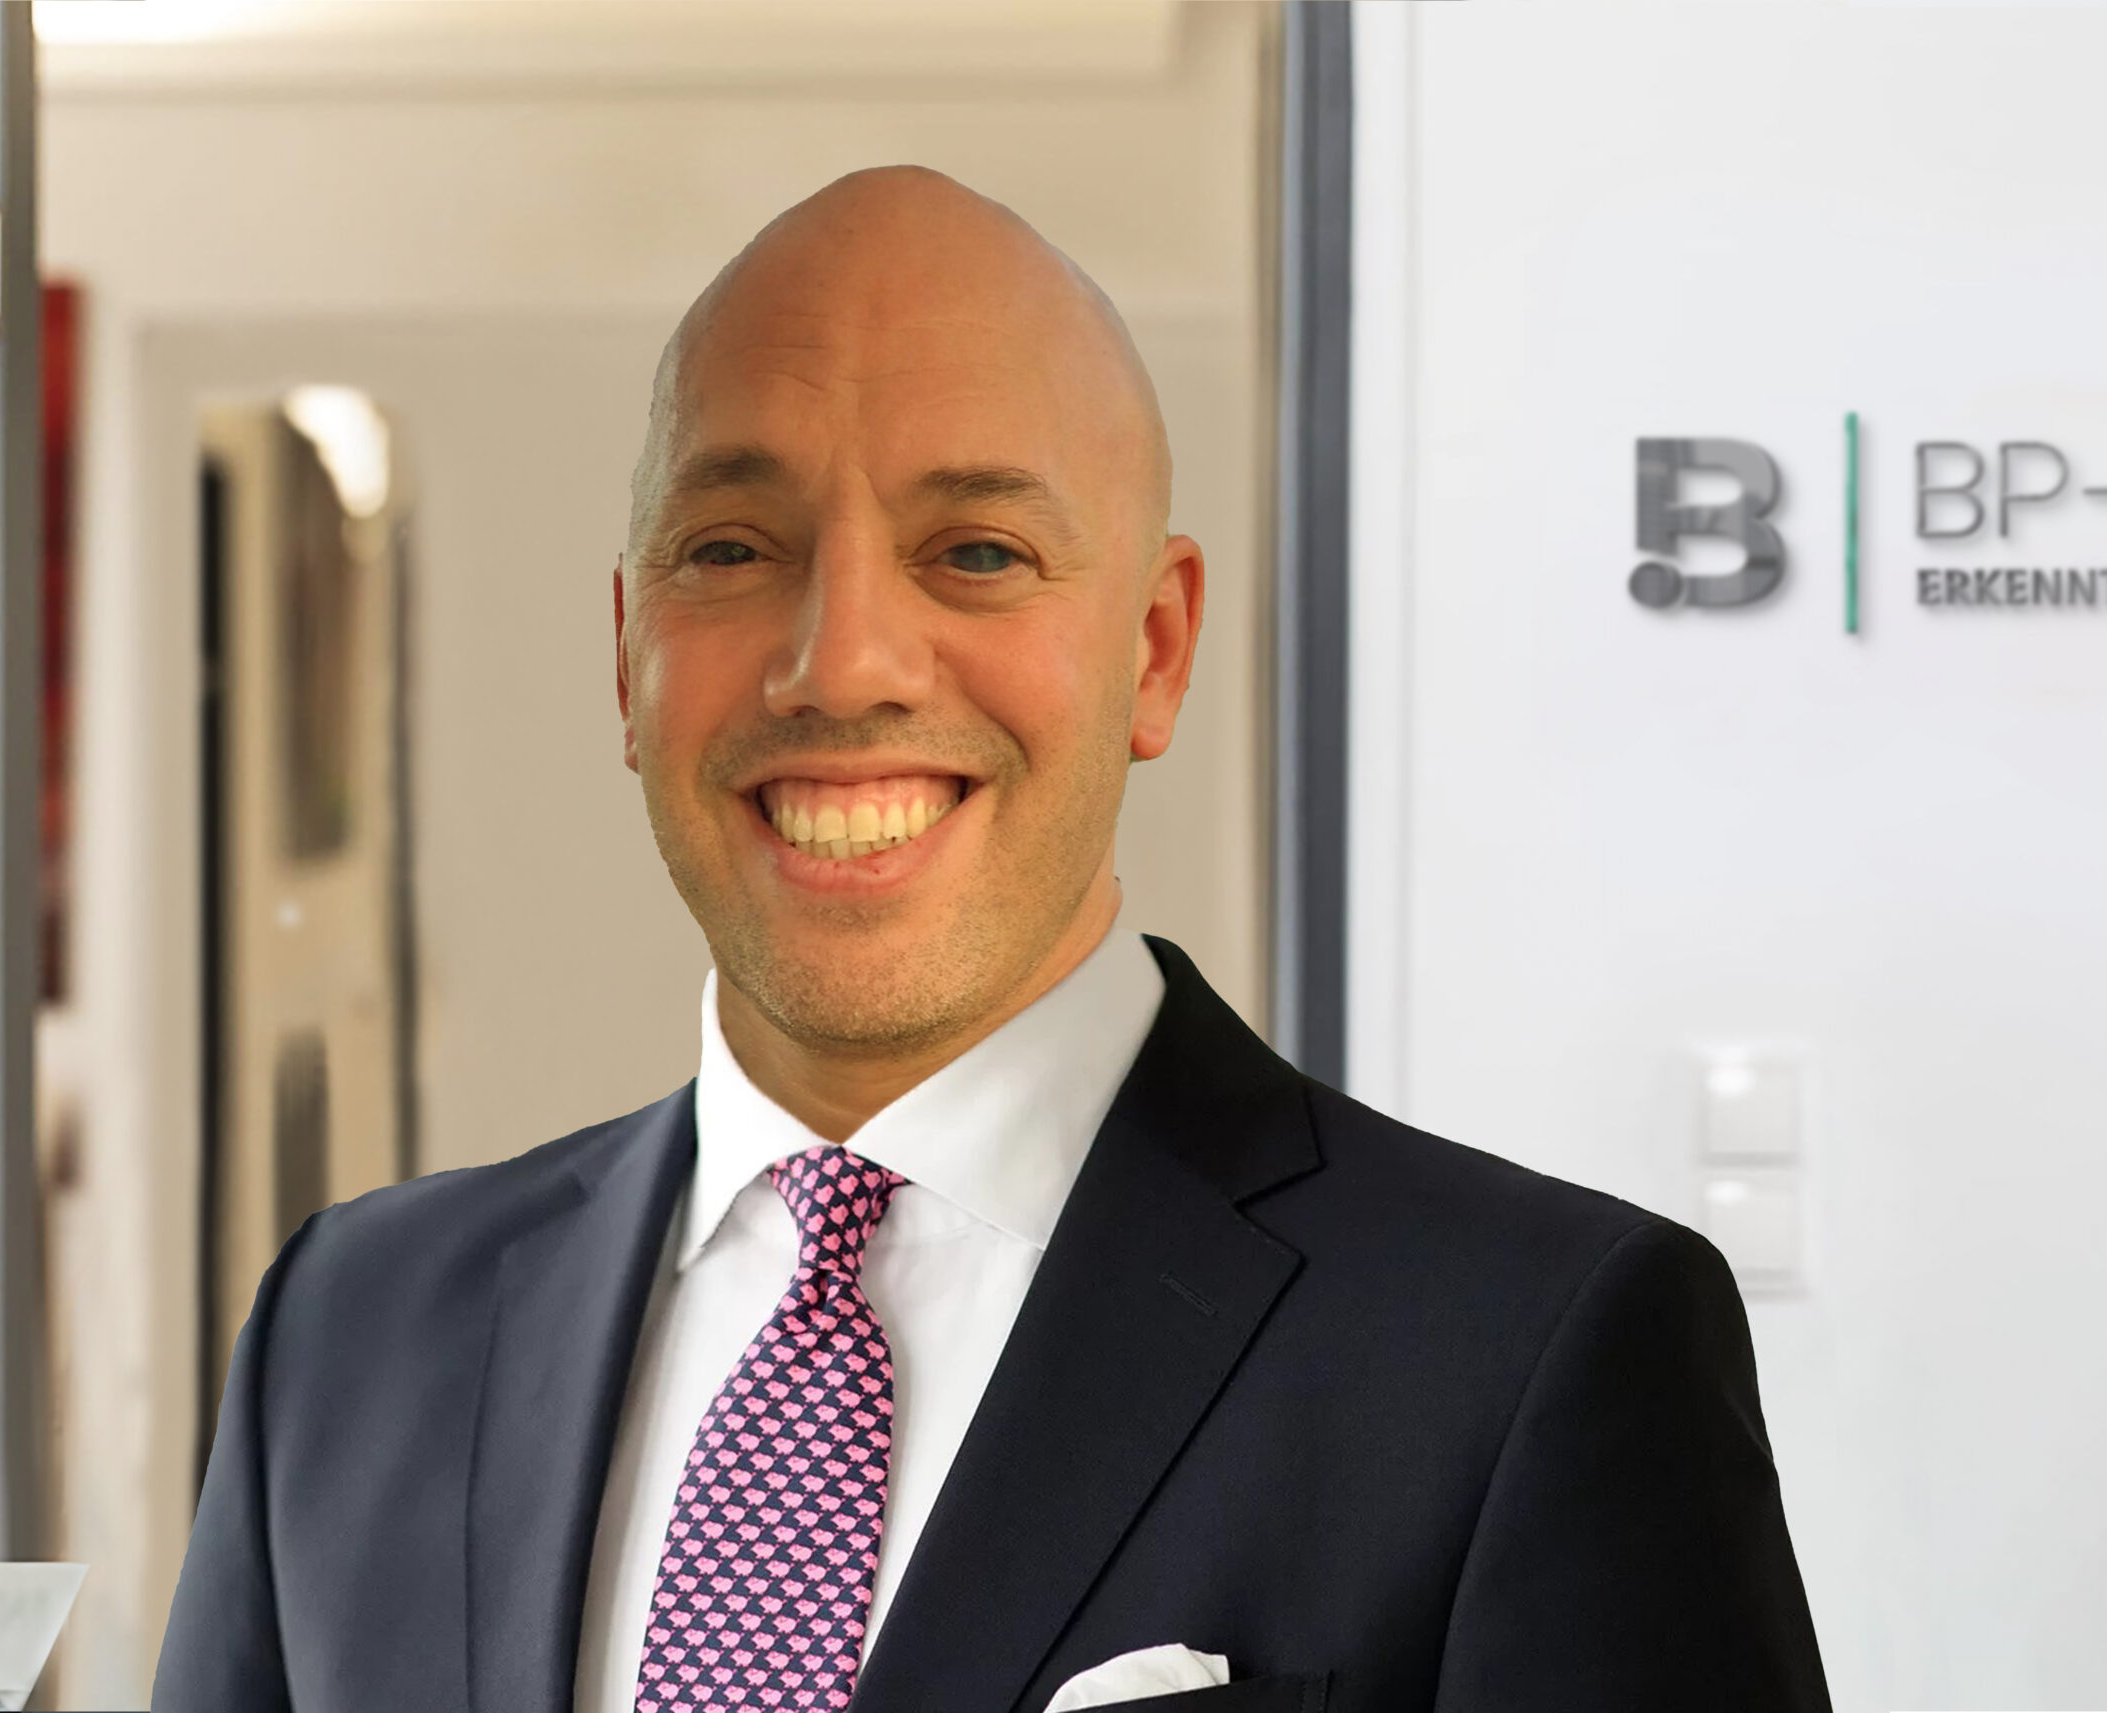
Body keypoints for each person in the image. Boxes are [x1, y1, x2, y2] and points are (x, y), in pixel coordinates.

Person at [153, 167, 1831, 1713]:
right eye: (732, 549)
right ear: (626, 653)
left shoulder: (1527, 1356)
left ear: (1156, 648)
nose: (841, 662)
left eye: (976, 551)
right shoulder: (346, 1339)